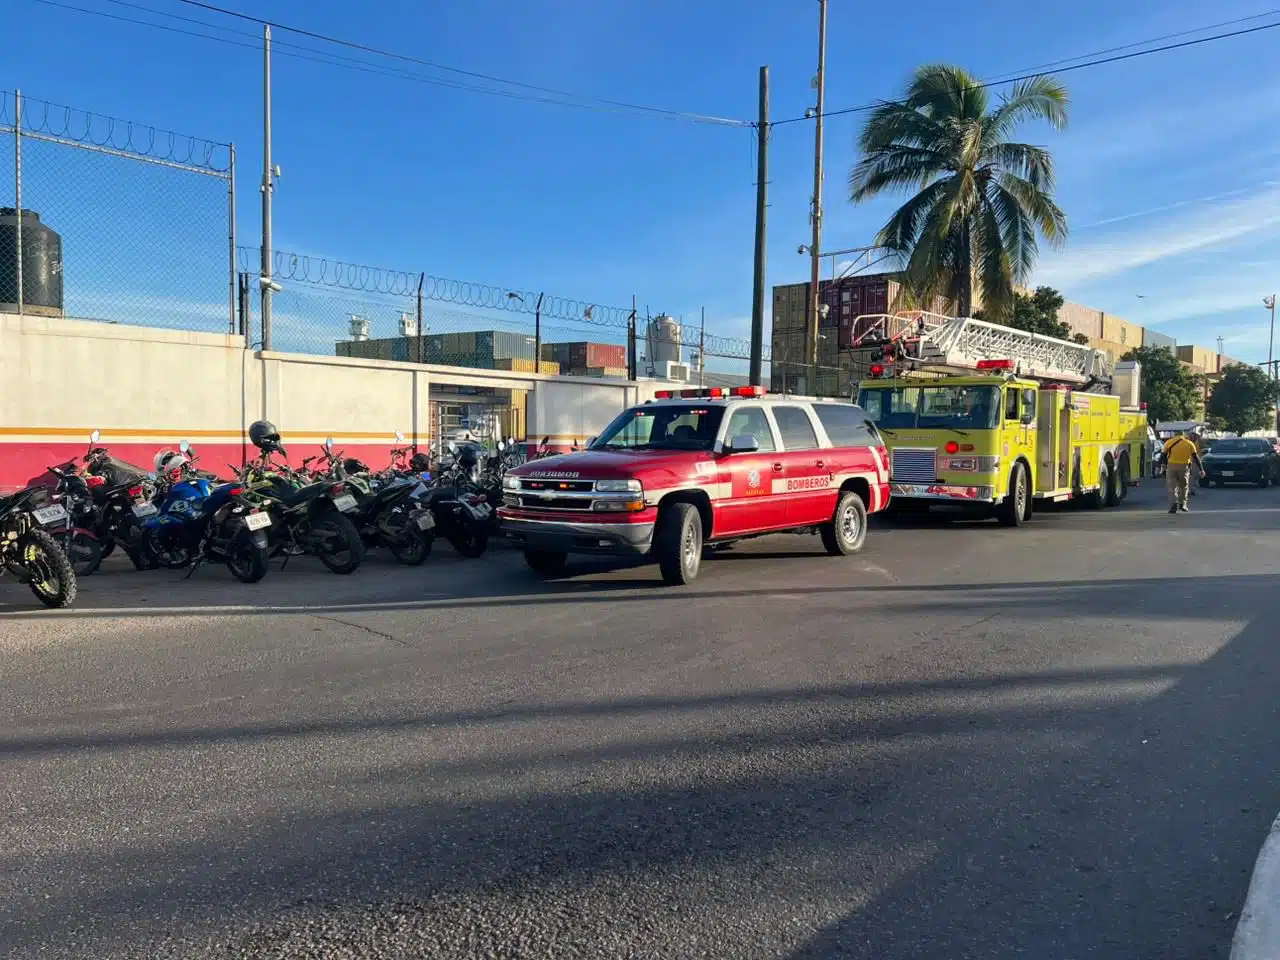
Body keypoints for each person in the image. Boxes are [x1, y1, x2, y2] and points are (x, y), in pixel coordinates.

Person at [1162, 430, 1203, 514]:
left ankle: (1174, 504)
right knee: (1184, 486)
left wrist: (1163, 466)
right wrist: (1201, 469)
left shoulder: (1169, 442)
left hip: (1171, 466)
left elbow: (1163, 456)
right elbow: (1196, 457)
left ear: (1174, 435)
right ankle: (1182, 504)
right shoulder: (1189, 443)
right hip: (1184, 467)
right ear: (1183, 435)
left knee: (1172, 487)